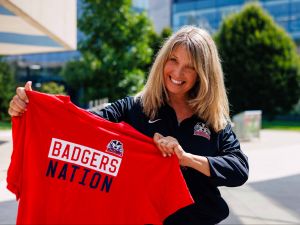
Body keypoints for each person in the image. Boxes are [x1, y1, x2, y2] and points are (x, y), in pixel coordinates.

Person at [8, 25, 249, 225]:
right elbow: (83, 122)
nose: (177, 72)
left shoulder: (214, 120)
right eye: (173, 60)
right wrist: (34, 108)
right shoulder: (135, 108)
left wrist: (185, 158)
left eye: (190, 67)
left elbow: (239, 169)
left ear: (204, 73)